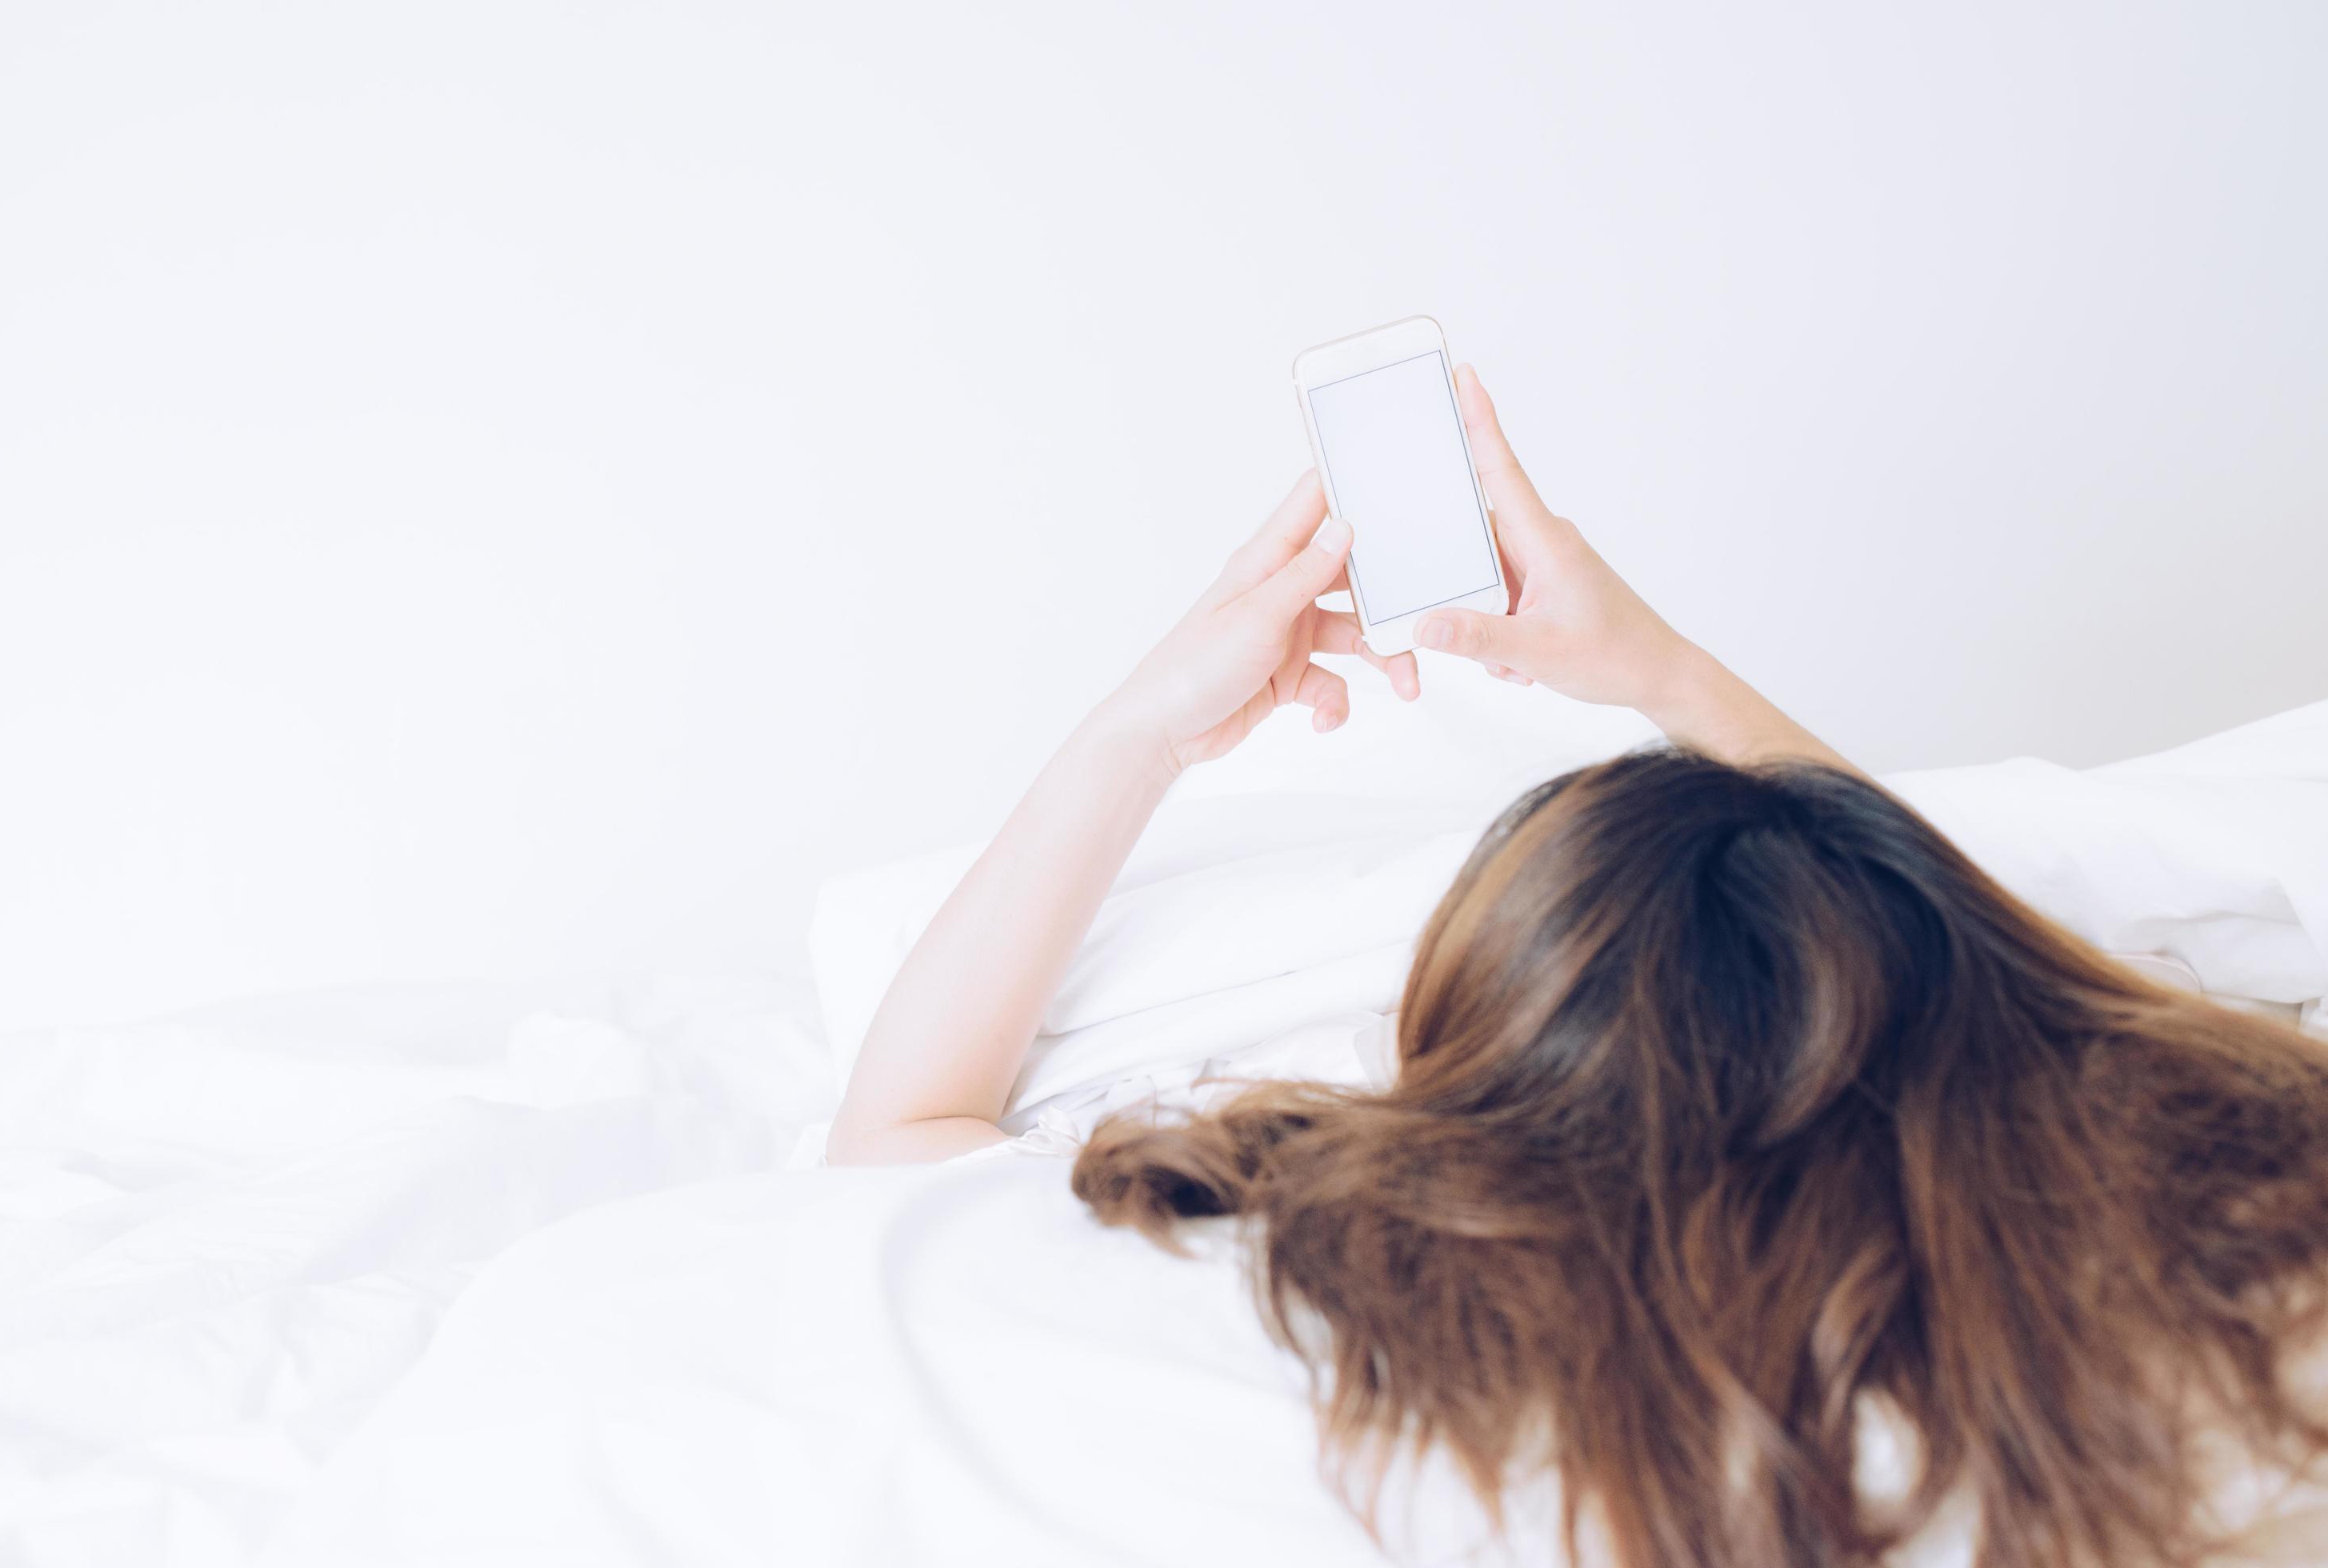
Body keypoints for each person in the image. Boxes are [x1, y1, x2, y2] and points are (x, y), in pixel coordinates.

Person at [826, 367, 2328, 1566]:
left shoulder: (1305, 1322)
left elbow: (897, 1131)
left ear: (1476, 1055)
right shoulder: (2203, 1272)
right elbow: (2017, 972)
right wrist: (1664, 674)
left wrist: (1140, 732)